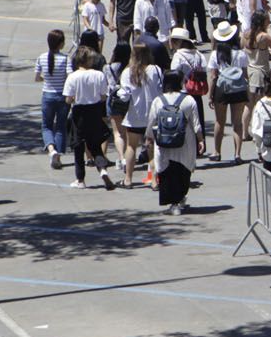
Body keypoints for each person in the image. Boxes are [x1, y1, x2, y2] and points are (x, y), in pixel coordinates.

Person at [147, 69, 200, 214]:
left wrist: (149, 138)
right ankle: (180, 197)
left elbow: (152, 122)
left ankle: (174, 204)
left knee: (167, 172)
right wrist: (200, 140)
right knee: (184, 171)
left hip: (164, 142)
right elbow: (196, 124)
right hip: (185, 142)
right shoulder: (188, 100)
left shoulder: (159, 101)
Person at [63, 50, 115, 189]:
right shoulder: (98, 75)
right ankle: (103, 169)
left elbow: (68, 99)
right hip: (95, 111)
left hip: (79, 112)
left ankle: (80, 180)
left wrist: (75, 98)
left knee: (78, 146)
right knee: (95, 145)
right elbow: (104, 96)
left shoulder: (73, 77)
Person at [117, 44, 163, 188]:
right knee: (153, 148)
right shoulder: (155, 69)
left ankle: (128, 179)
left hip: (135, 115)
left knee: (131, 146)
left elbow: (124, 96)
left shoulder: (127, 72)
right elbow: (160, 89)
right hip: (153, 114)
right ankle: (155, 181)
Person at [207, 21, 249, 163]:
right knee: (237, 122)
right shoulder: (241, 54)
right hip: (238, 88)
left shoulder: (215, 55)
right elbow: (245, 74)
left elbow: (213, 76)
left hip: (222, 89)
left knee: (220, 121)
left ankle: (217, 152)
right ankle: (237, 154)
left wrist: (210, 95)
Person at [36, 28, 70, 168]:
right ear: (60, 43)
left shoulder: (42, 57)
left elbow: (37, 77)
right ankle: (58, 156)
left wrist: (47, 79)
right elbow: (70, 76)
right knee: (61, 127)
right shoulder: (66, 58)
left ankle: (51, 150)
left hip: (47, 95)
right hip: (62, 96)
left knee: (46, 126)